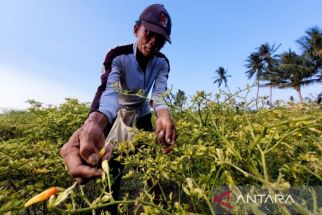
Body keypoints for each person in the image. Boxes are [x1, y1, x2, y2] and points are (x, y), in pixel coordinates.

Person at [60, 3, 176, 192]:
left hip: (143, 115)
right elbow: (110, 90)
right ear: (136, 29)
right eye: (149, 33)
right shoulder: (118, 56)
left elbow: (159, 95)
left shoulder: (162, 63)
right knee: (112, 167)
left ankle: (157, 202)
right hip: (117, 114)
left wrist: (164, 116)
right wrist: (95, 123)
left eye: (161, 38)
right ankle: (111, 204)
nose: (154, 41)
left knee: (150, 164)